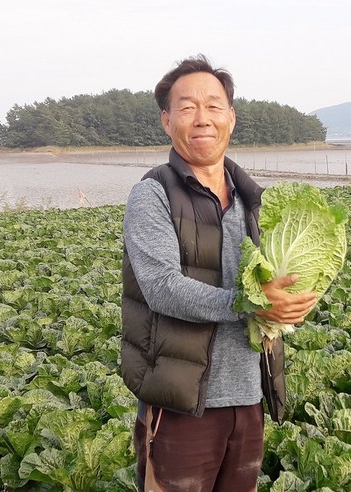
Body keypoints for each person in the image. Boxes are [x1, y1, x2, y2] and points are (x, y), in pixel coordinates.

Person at [121, 54, 317, 492]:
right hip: (181, 405)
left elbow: (277, 281)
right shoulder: (152, 196)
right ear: (167, 121)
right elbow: (162, 289)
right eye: (187, 108)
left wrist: (292, 300)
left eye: (213, 106)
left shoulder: (255, 200)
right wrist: (252, 301)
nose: (202, 118)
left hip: (248, 398)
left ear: (231, 118)